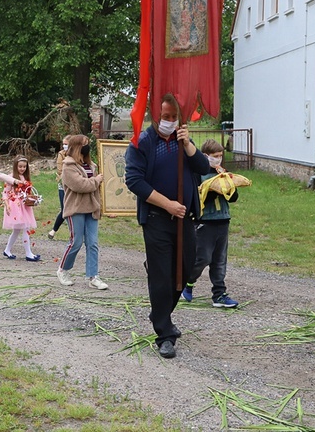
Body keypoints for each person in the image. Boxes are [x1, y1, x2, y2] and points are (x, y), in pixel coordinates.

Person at [125, 93, 210, 359]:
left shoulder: (182, 139)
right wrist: (167, 205)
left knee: (185, 269)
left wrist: (188, 146)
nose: (170, 122)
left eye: (174, 117)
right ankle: (164, 333)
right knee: (162, 276)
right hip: (157, 219)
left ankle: (160, 313)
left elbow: (203, 166)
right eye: (166, 117)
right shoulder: (142, 142)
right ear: (155, 115)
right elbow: (135, 181)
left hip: (186, 217)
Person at [181, 139, 239, 308]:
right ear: (206, 156)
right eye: (215, 156)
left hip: (223, 220)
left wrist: (229, 185)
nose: (218, 159)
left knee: (220, 260)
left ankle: (219, 294)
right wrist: (213, 190)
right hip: (205, 222)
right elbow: (197, 198)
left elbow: (233, 198)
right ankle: (187, 283)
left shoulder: (223, 172)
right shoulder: (199, 173)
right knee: (203, 258)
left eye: (220, 156)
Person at [55, 135, 107, 289]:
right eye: (84, 143)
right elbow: (81, 185)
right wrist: (96, 180)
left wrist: (103, 206)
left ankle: (93, 276)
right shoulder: (68, 166)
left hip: (92, 208)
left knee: (93, 243)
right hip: (75, 209)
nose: (87, 146)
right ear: (76, 146)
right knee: (76, 241)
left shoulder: (92, 165)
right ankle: (63, 270)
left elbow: (97, 190)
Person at [2, 156, 40, 261]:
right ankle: (28, 253)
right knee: (23, 229)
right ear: (15, 166)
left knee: (19, 230)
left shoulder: (25, 178)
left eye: (24, 167)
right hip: (15, 205)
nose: (22, 169)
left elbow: (27, 191)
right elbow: (5, 192)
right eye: (20, 166)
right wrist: (7, 204)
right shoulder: (11, 178)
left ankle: (7, 250)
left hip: (24, 205)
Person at [48, 135, 71, 240]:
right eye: (64, 144)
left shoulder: (77, 154)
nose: (64, 146)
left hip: (74, 186)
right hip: (63, 185)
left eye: (66, 144)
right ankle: (54, 230)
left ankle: (55, 231)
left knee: (72, 210)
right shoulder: (61, 154)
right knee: (64, 209)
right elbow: (60, 170)